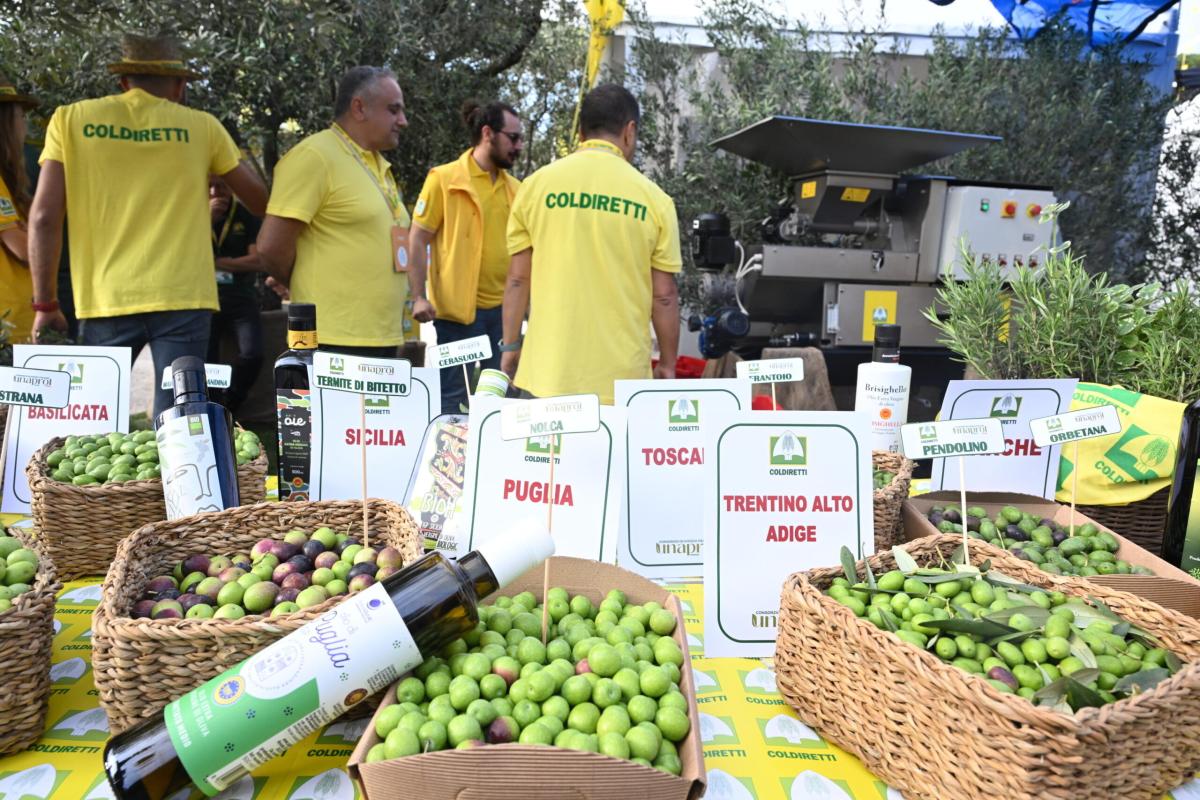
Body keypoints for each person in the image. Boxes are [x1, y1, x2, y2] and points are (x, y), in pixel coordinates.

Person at [27, 33, 268, 416]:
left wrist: (45, 303)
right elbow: (259, 200)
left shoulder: (71, 120)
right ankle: (179, 476)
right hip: (185, 296)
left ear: (124, 82)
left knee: (97, 421)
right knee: (179, 419)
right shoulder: (202, 127)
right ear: (179, 85)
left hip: (106, 296)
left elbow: (43, 217)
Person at [500, 84, 681, 404]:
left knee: (545, 457)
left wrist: (511, 346)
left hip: (546, 374)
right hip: (621, 384)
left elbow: (518, 278)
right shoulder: (656, 200)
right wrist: (667, 364)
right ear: (630, 131)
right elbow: (664, 297)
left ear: (581, 132)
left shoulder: (535, 186)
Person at [257, 66, 409, 358]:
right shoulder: (315, 156)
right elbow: (270, 247)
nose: (403, 121)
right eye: (394, 110)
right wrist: (297, 281)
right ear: (359, 108)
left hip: (380, 336)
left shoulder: (379, 166)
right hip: (327, 340)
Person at [409, 100, 523, 413]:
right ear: (488, 133)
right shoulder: (444, 180)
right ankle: (449, 461)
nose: (519, 146)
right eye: (513, 138)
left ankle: (493, 461)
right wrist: (418, 296)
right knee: (453, 400)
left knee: (499, 402)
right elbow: (417, 239)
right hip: (456, 316)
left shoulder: (517, 189)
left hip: (503, 316)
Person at [208, 175, 264, 416]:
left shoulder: (244, 215)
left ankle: (232, 401)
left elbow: (257, 260)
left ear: (230, 187)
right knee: (206, 360)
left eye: (220, 185)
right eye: (209, 186)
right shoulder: (194, 215)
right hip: (205, 297)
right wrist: (207, 219)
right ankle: (213, 407)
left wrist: (219, 263)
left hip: (241, 296)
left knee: (253, 353)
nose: (214, 191)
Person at [0, 75, 37, 344]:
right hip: (7, 321)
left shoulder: (8, 181)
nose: (25, 124)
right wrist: (37, 232)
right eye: (21, 116)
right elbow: (24, 249)